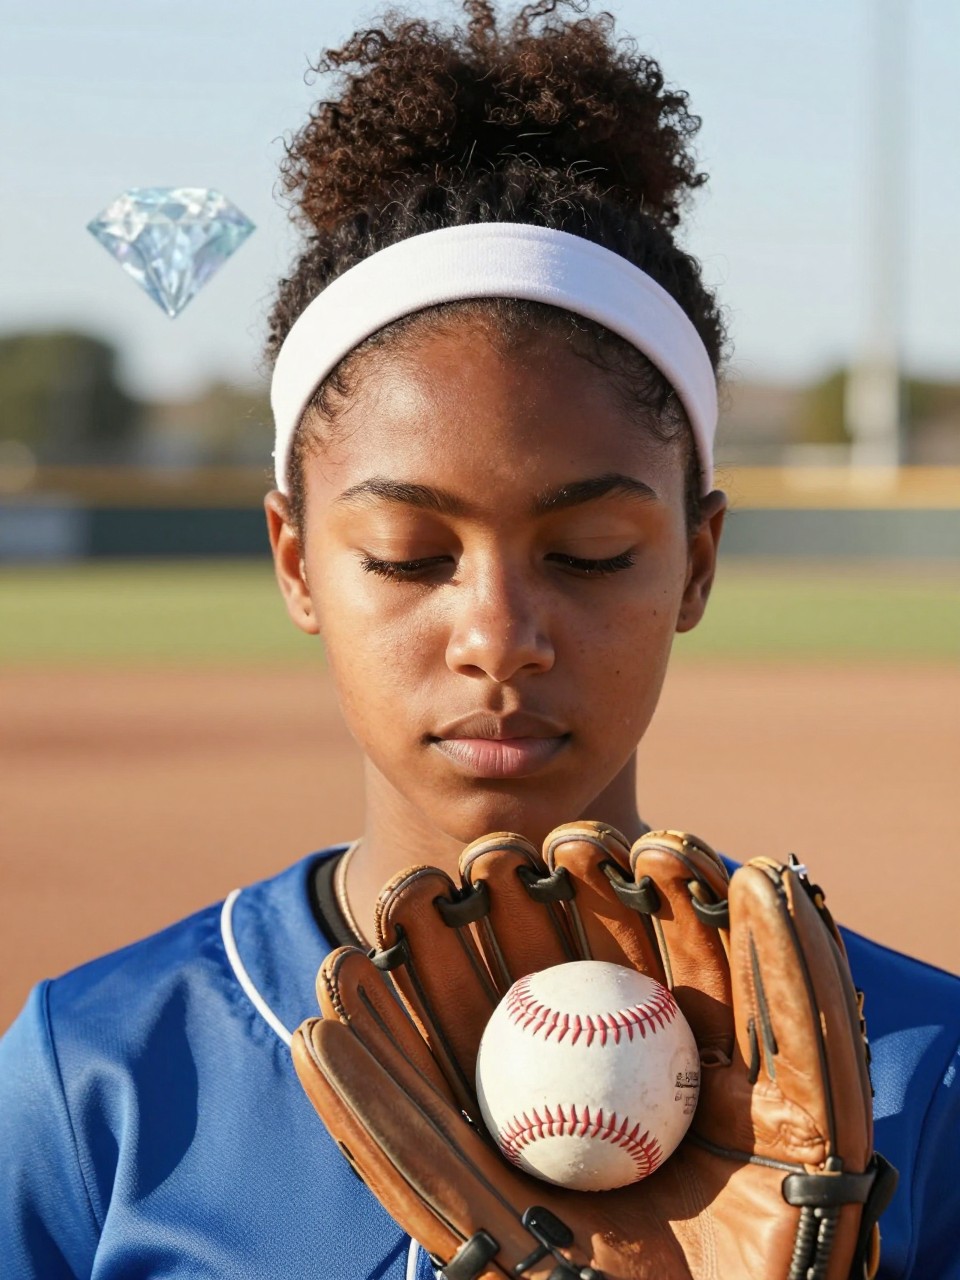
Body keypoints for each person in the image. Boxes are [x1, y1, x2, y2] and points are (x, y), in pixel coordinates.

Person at [1, 3, 957, 1277]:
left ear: (698, 560)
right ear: (296, 560)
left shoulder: (913, 1078)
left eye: (591, 555)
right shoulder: (100, 1075)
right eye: (407, 555)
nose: (499, 635)